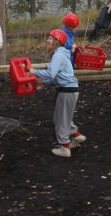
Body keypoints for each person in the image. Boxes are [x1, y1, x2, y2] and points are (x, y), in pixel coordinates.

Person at [29, 29, 86, 158]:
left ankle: (64, 147)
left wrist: (33, 71)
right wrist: (46, 83)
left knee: (61, 119)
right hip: (69, 90)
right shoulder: (60, 54)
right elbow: (58, 76)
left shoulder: (58, 55)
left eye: (50, 38)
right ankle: (76, 136)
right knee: (60, 117)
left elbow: (51, 73)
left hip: (67, 91)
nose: (47, 40)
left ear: (56, 41)